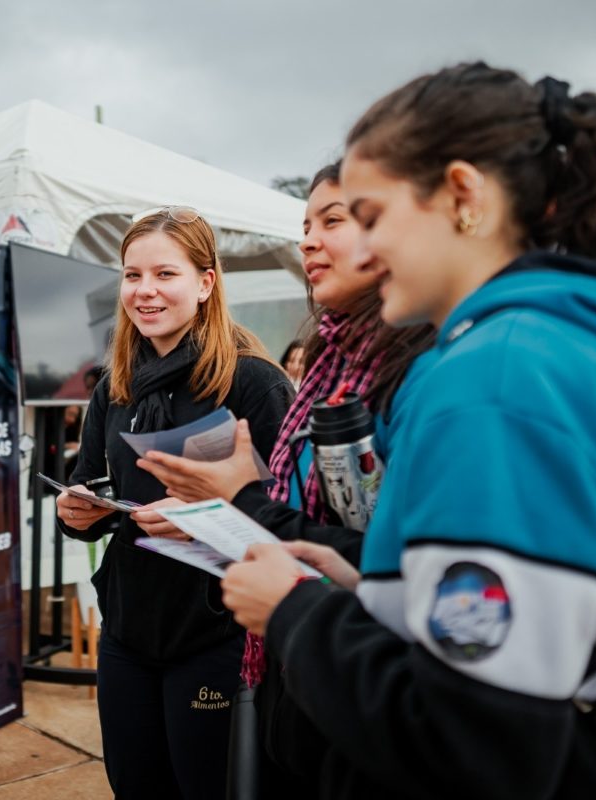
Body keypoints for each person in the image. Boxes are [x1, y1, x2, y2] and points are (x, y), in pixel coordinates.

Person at [221, 62, 596, 798]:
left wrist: (295, 611)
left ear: (463, 195)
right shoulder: (560, 344)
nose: (359, 251)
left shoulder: (498, 377)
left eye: (371, 217)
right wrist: (382, 588)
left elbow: (476, 739)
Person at [136, 165, 433, 795]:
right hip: (287, 659)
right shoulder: (335, 362)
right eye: (305, 225)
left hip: (342, 670)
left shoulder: (412, 375)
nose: (307, 242)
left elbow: (401, 562)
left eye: (333, 221)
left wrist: (234, 504)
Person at [55, 206, 293, 799]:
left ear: (206, 283)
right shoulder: (115, 383)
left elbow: (294, 521)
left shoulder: (254, 383)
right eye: (132, 276)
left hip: (217, 634)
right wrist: (78, 513)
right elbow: (92, 482)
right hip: (128, 630)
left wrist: (198, 524)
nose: (145, 291)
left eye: (165, 274)